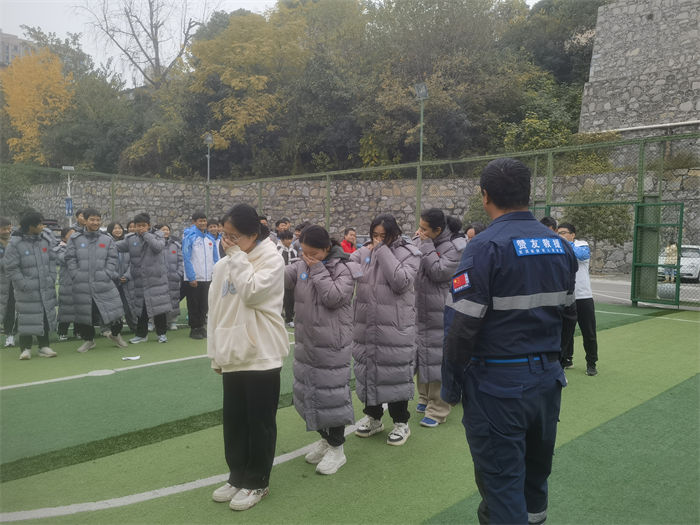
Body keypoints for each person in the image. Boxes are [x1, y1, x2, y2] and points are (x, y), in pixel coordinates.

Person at [442, 158, 577, 525]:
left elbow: (461, 327)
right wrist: (555, 363)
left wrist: (451, 388)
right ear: (528, 194)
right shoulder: (559, 245)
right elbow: (569, 316)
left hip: (498, 386)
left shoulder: (485, 247)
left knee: (501, 485)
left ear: (485, 196)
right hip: (547, 382)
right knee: (535, 478)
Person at [209, 203, 288, 511]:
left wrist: (237, 257)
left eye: (233, 236)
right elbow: (215, 312)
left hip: (262, 354)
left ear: (253, 235)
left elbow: (252, 292)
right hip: (232, 353)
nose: (226, 241)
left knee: (260, 422)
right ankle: (237, 475)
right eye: (224, 234)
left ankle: (257, 481)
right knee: (234, 421)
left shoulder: (271, 259)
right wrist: (216, 354)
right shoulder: (222, 265)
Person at [284, 225, 361, 475]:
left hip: (332, 343)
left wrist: (317, 269)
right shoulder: (302, 264)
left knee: (331, 396)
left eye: (313, 254)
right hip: (307, 342)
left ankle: (337, 448)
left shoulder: (344, 267)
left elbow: (334, 297)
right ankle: (326, 439)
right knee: (306, 393)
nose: (308, 258)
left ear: (327, 249)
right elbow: (280, 278)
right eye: (304, 253)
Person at [350, 213, 421, 446]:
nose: (378, 239)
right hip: (366, 324)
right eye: (375, 235)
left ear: (395, 234)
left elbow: (401, 282)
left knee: (395, 374)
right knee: (368, 371)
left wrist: (381, 250)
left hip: (395, 326)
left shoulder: (410, 253)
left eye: (384, 236)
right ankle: (373, 417)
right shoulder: (364, 252)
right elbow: (347, 267)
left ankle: (401, 422)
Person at [413, 208, 466, 428]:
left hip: (441, 310)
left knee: (438, 358)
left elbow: (438, 271)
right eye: (420, 227)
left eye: (425, 229)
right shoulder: (424, 241)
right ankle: (425, 397)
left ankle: (439, 408)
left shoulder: (455, 247)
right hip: (420, 309)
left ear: (438, 229)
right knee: (421, 354)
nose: (420, 232)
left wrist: (425, 245)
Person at [66, 208, 127, 352]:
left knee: (115, 313)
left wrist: (107, 273)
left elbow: (112, 258)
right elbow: (70, 258)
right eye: (92, 219)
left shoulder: (107, 239)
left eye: (98, 220)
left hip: (104, 282)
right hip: (82, 284)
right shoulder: (75, 239)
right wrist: (76, 274)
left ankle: (115, 335)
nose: (95, 222)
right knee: (85, 315)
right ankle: (89, 340)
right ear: (85, 221)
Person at [3, 211, 58, 360]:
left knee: (44, 316)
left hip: (45, 287)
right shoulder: (15, 243)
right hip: (26, 290)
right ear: (30, 226)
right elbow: (11, 267)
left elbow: (52, 260)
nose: (42, 226)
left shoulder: (45, 240)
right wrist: (23, 284)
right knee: (26, 317)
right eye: (39, 224)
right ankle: (25, 348)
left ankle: (44, 346)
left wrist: (51, 277)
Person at [116, 213, 171, 344]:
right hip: (139, 280)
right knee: (141, 310)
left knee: (159, 309)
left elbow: (158, 247)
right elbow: (115, 246)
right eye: (138, 226)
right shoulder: (130, 239)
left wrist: (146, 234)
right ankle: (141, 335)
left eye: (143, 225)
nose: (140, 228)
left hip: (156, 280)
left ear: (149, 225)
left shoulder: (158, 235)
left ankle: (162, 334)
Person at [557, 222, 599, 376]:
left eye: (563, 233)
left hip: (583, 296)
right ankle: (565, 360)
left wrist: (564, 244)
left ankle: (591, 363)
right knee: (565, 331)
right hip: (566, 296)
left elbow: (582, 255)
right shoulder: (557, 247)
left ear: (573, 235)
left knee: (589, 332)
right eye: (558, 233)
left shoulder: (581, 244)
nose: (560, 236)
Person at [182, 211, 219, 339]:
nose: (203, 223)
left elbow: (215, 259)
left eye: (204, 220)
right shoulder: (189, 238)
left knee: (205, 304)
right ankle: (194, 328)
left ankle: (201, 326)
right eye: (200, 221)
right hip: (195, 277)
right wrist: (191, 277)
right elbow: (186, 258)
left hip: (208, 277)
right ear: (194, 222)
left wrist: (216, 274)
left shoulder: (210, 239)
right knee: (194, 304)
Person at [107, 222, 137, 332]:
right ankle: (113, 330)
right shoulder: (107, 243)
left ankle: (134, 327)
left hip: (127, 280)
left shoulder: (127, 243)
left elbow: (134, 261)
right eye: (115, 228)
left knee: (128, 306)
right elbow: (105, 263)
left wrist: (127, 275)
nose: (118, 230)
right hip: (112, 281)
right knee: (113, 306)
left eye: (119, 228)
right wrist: (116, 276)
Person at [157, 224, 183, 331]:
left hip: (173, 278)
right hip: (158, 278)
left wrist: (179, 273)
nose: (165, 232)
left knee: (173, 300)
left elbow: (181, 261)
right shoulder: (154, 244)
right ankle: (154, 322)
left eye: (167, 230)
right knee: (158, 301)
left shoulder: (175, 245)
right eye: (163, 230)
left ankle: (172, 321)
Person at [54, 227, 76, 342]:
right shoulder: (59, 249)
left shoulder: (79, 247)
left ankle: (78, 331)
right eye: (70, 235)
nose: (74, 237)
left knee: (80, 309)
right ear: (63, 238)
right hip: (67, 283)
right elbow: (64, 259)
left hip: (79, 282)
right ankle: (62, 332)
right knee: (65, 309)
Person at [0, 217, 17, 347]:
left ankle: (9, 335)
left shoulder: (15, 241)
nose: (7, 231)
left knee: (11, 309)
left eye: (8, 228)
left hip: (13, 282)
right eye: (4, 229)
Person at [277, 230, 298, 327]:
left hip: (291, 279)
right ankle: (277, 317)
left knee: (290, 299)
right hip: (279, 279)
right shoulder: (277, 250)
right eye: (287, 239)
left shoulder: (294, 251)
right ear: (282, 240)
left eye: (290, 239)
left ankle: (289, 319)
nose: (289, 241)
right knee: (279, 299)